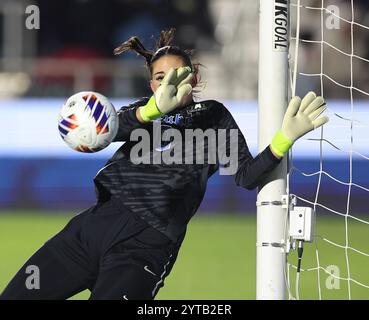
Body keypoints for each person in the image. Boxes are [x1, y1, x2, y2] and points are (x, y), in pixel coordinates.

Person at [0, 28, 328, 300]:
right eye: (159, 77)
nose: (168, 83)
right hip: (91, 230)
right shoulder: (142, 110)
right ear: (151, 84)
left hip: (145, 248)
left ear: (194, 76)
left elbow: (245, 176)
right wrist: (154, 110)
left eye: (177, 74)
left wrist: (283, 139)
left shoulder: (214, 116)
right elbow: (112, 128)